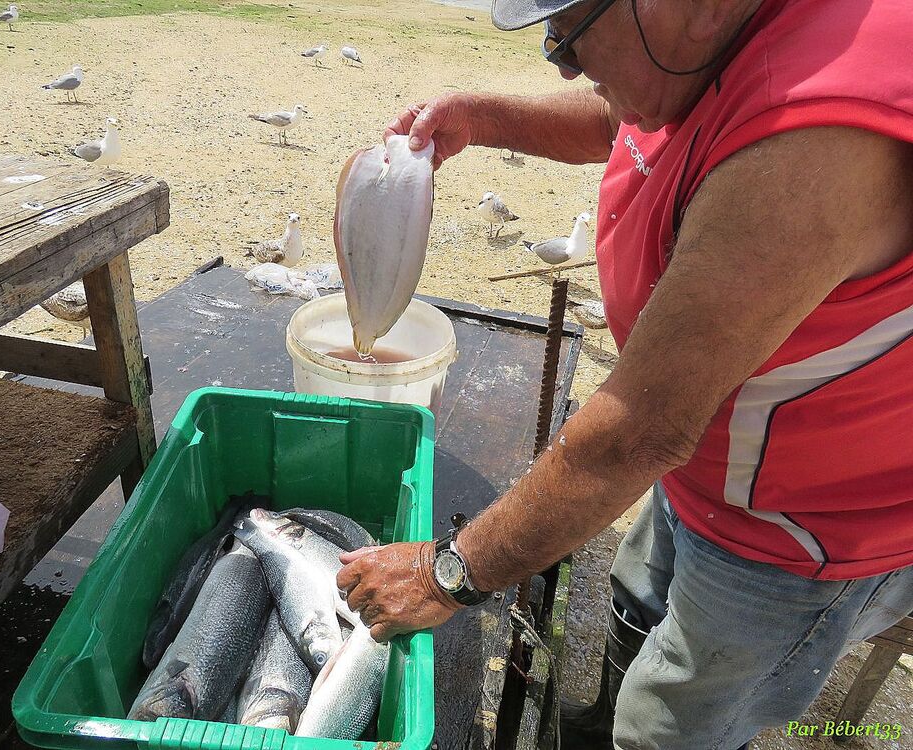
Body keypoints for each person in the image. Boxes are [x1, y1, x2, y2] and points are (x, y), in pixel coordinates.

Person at [337, 0, 913, 747]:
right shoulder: (708, 43)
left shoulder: (813, 143)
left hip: (793, 528)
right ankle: (602, 716)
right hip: (713, 453)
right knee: (636, 602)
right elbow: (629, 117)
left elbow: (639, 434)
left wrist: (446, 573)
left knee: (673, 726)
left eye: (571, 28)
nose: (561, 58)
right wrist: (482, 118)